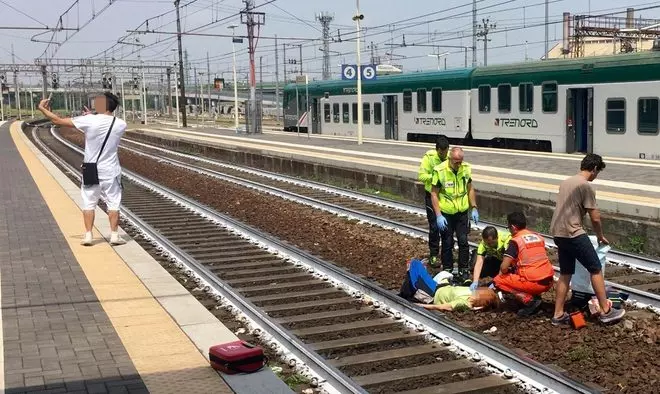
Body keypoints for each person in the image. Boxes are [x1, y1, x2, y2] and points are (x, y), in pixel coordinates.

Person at [38, 92, 128, 247]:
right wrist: (90, 118)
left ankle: (88, 236)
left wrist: (42, 108)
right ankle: (114, 235)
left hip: (90, 169)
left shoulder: (88, 121)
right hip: (111, 170)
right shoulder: (120, 124)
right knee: (113, 202)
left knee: (89, 202)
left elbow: (56, 120)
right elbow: (101, 130)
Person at [549, 154, 625, 325]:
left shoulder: (566, 181)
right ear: (595, 169)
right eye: (598, 172)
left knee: (566, 272)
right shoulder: (586, 186)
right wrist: (600, 236)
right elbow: (595, 217)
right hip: (573, 232)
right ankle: (606, 310)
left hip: (558, 233)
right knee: (595, 268)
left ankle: (558, 314)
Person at [430, 147, 479, 284]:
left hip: (462, 212)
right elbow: (434, 193)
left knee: (463, 241)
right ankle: (448, 270)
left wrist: (474, 206)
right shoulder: (440, 171)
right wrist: (438, 215)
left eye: (460, 162)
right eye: (456, 162)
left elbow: (470, 189)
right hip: (446, 213)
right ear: (450, 159)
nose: (458, 165)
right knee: (447, 242)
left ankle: (463, 271)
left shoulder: (466, 169)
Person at [492, 212, 555, 317]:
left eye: (508, 227)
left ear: (513, 227)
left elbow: (503, 268)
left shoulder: (515, 241)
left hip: (534, 283)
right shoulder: (538, 237)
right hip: (548, 281)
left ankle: (530, 300)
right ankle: (534, 296)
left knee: (498, 280)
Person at [398, 259, 499, 312]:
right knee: (416, 265)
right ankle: (411, 282)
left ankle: (407, 292)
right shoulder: (472, 292)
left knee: (414, 266)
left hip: (432, 294)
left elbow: (446, 307)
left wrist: (423, 306)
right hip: (439, 286)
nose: (479, 290)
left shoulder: (465, 302)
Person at [418, 135, 450, 266]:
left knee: (447, 227)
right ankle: (434, 254)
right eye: (442, 153)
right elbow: (421, 176)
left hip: (445, 196)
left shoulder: (449, 158)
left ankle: (446, 253)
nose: (444, 155)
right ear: (437, 150)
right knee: (434, 227)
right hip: (432, 195)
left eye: (446, 152)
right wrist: (436, 177)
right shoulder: (429, 158)